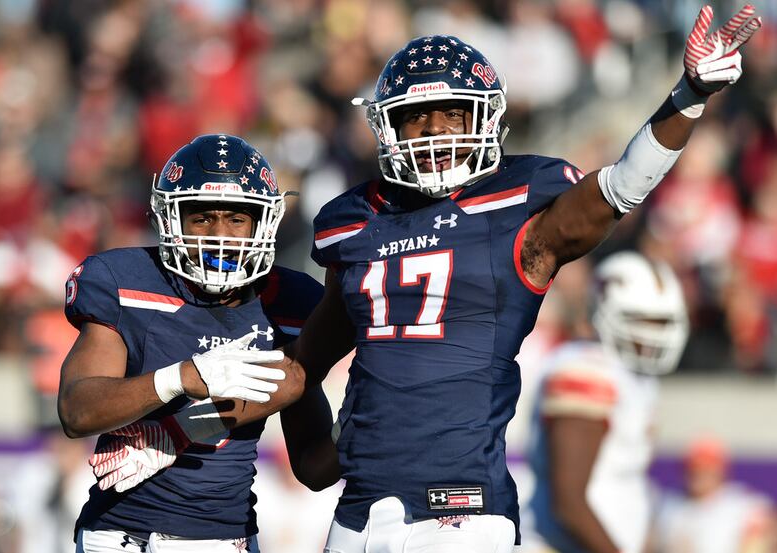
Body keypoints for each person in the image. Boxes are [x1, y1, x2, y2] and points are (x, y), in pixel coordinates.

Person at [97, 6, 764, 552]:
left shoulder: (516, 214)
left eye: (453, 114)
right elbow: (300, 367)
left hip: (460, 512)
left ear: (487, 120)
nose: (438, 131)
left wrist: (689, 97)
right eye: (420, 117)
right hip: (357, 509)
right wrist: (186, 430)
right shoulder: (356, 222)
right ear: (387, 126)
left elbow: (616, 189)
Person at [57, 133, 337, 552]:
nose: (219, 236)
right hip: (117, 536)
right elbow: (77, 411)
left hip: (223, 536)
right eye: (202, 218)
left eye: (237, 219)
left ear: (264, 223)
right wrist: (178, 378)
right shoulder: (125, 280)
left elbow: (315, 468)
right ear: (171, 220)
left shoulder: (292, 302)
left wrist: (365, 422)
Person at [520, 252, 689, 553]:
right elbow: (569, 502)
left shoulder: (632, 376)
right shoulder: (586, 369)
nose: (654, 334)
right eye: (641, 320)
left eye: (662, 322)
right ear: (605, 313)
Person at [653, 436, 777, 553]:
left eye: (706, 468)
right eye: (694, 468)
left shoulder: (741, 505)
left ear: (719, 471)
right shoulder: (669, 504)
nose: (699, 475)